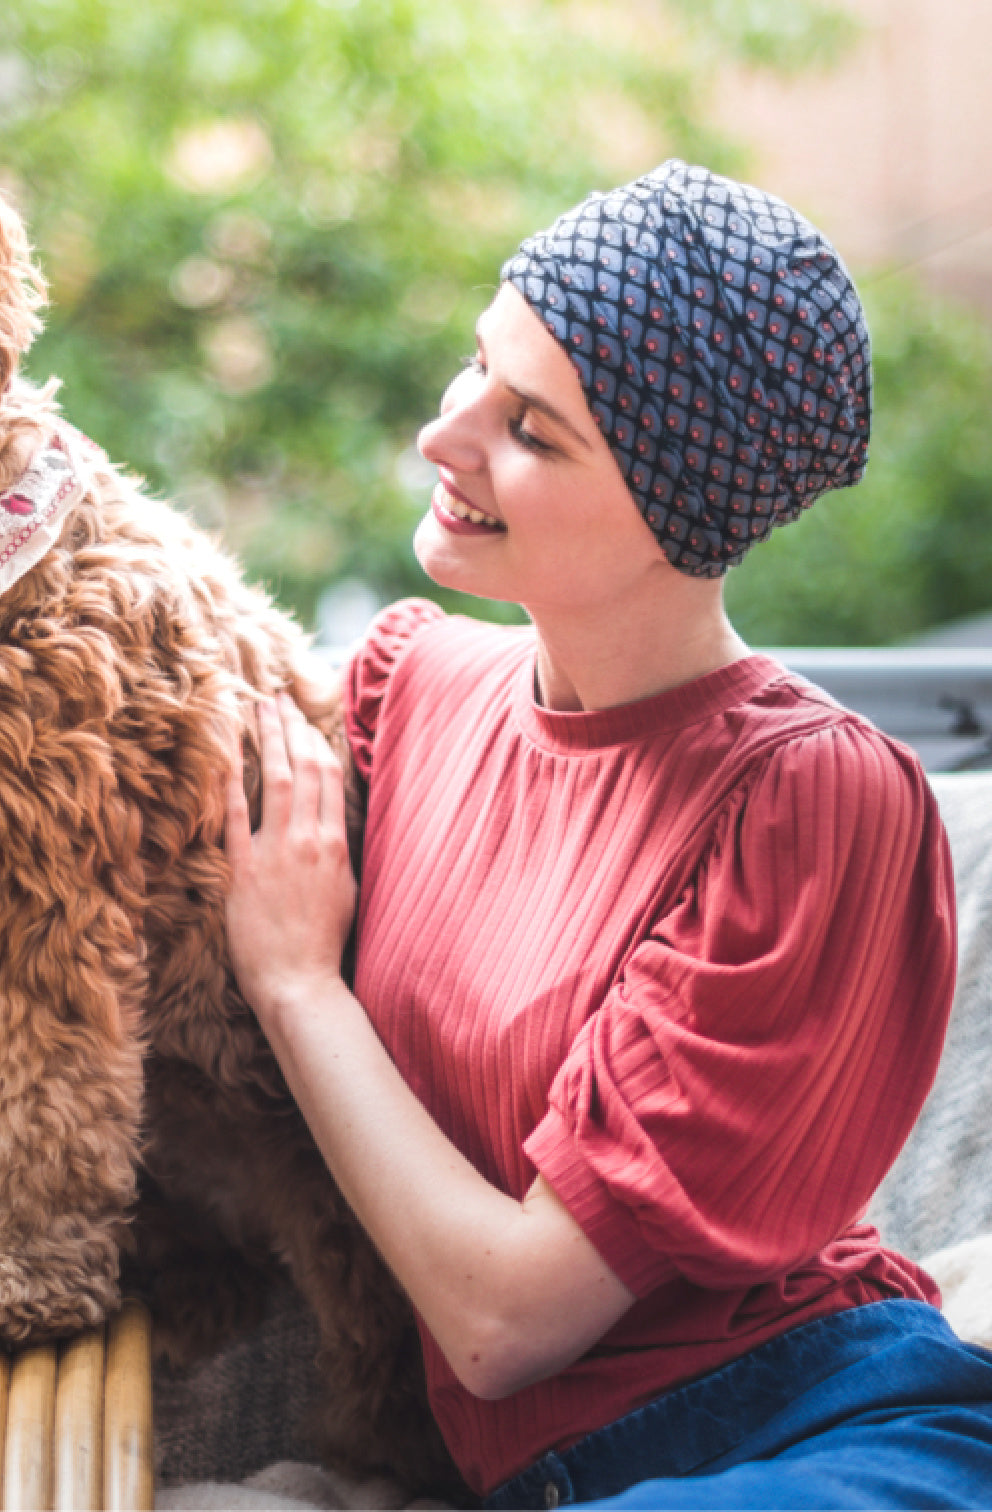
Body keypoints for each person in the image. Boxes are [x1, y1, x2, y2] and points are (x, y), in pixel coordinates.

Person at [222, 160, 992, 1508]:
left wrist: (295, 983)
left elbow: (507, 1325)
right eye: (476, 365)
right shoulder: (403, 687)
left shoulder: (809, 799)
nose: (444, 437)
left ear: (676, 509)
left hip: (818, 1435)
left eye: (532, 428)